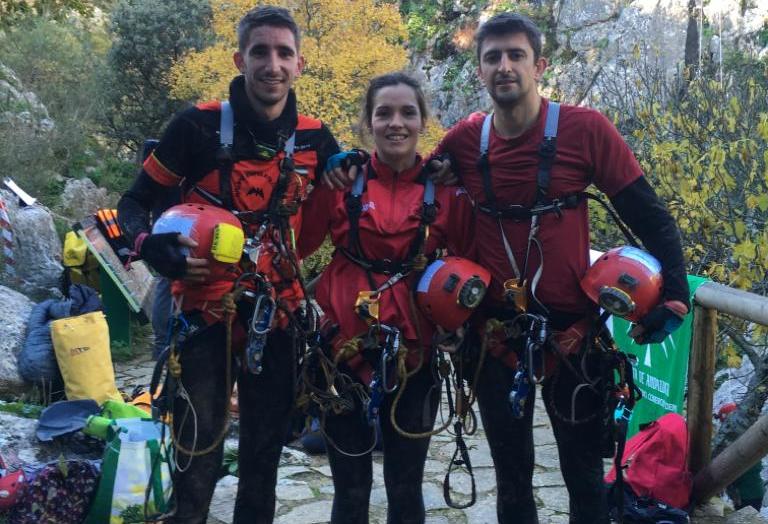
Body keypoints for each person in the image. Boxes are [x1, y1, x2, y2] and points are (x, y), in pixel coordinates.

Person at [324, 12, 690, 524]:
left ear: (539, 64)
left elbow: (650, 216)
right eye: (492, 57)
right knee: (512, 479)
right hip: (495, 336)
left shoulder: (587, 132)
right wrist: (350, 165)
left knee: (584, 479)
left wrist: (674, 295)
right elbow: (405, 170)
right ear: (479, 71)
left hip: (574, 334)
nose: (504, 66)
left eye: (515, 55)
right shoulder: (464, 142)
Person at [116, 6, 339, 523]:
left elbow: (358, 195)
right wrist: (149, 246)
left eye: (285, 53)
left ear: (300, 64)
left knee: (264, 446)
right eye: (260, 51)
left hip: (278, 312)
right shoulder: (194, 126)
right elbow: (134, 204)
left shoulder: (316, 138)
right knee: (197, 441)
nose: (273, 64)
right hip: (199, 308)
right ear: (240, 58)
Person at [298, 72, 476, 524]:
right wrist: (321, 176)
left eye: (407, 113)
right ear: (368, 123)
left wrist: (461, 323)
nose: (396, 123)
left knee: (405, 485)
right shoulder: (342, 183)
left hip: (416, 356)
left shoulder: (448, 191)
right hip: (342, 350)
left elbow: (468, 263)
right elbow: (298, 242)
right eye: (384, 113)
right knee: (351, 488)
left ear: (422, 122)